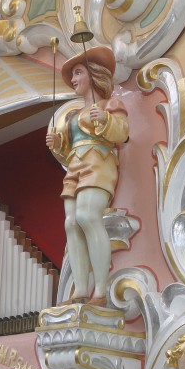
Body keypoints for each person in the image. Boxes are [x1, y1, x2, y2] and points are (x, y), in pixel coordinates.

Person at [46, 46, 129, 306]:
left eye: (78, 72)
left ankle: (101, 291)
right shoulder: (72, 115)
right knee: (71, 224)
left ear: (94, 75)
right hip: (75, 166)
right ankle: (80, 289)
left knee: (87, 217)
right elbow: (68, 149)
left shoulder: (111, 105)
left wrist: (105, 119)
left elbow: (122, 133)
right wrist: (58, 144)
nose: (73, 79)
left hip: (98, 162)